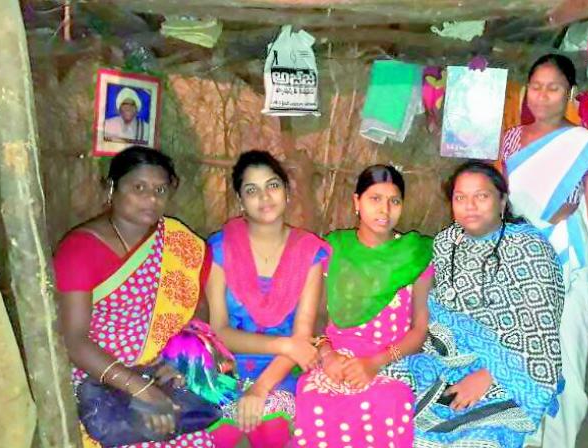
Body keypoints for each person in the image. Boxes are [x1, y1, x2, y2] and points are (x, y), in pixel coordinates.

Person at [54, 146, 216, 447]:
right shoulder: (79, 250)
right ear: (113, 188)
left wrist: (180, 357)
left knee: (200, 419)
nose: (152, 198)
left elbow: (197, 311)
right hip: (101, 376)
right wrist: (140, 388)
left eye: (160, 189)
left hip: (163, 368)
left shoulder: (179, 245)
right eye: (139, 187)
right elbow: (73, 340)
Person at [499, 53, 588, 446]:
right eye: (536, 86)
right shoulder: (510, 140)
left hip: (566, 266)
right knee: (515, 357)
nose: (542, 96)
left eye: (553, 88)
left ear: (568, 93)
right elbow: (496, 205)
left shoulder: (587, 147)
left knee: (564, 358)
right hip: (516, 263)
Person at [404, 161, 565, 447]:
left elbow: (539, 334)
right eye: (460, 197)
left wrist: (486, 375)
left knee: (479, 441)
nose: (470, 206)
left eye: (482, 196)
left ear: (502, 200)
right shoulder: (445, 243)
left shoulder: (529, 250)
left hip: (509, 373)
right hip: (443, 361)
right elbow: (436, 311)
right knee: (383, 401)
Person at [293, 165, 433, 448]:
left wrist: (374, 363)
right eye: (375, 199)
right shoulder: (333, 250)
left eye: (394, 201)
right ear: (357, 202)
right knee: (313, 395)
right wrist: (328, 355)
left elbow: (420, 330)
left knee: (389, 399)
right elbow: (316, 317)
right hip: (336, 357)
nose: (385, 210)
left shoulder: (416, 256)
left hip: (392, 359)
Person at [205, 150, 328, 447]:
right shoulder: (220, 249)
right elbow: (219, 330)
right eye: (252, 190)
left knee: (270, 426)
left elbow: (302, 338)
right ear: (240, 200)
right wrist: (284, 343)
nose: (264, 197)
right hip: (227, 368)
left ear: (286, 191)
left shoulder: (308, 252)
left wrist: (260, 389)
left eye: (272, 185)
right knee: (219, 433)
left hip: (281, 370)